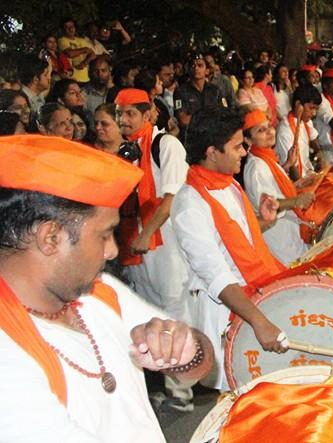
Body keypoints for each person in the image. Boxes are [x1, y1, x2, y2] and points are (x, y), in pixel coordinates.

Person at [0, 135, 213, 441]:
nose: (113, 250)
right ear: (51, 238)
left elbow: (201, 365)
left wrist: (185, 349)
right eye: (104, 235)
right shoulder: (7, 350)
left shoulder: (97, 292)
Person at [171, 108, 290, 391]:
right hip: (229, 312)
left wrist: (262, 221)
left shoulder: (229, 185)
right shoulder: (190, 203)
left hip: (257, 301)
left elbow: (238, 242)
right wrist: (259, 322)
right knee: (239, 395)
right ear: (212, 152)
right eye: (237, 146)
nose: (244, 152)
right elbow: (215, 274)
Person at [113, 88, 196, 411]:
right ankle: (159, 384)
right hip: (136, 243)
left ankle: (183, 391)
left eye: (130, 114)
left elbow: (170, 199)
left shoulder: (166, 146)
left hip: (164, 245)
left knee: (174, 311)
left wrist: (147, 234)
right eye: (120, 114)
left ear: (148, 115)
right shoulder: (126, 150)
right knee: (147, 312)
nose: (123, 120)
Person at [242, 110, 316, 264]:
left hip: (287, 227)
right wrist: (296, 201)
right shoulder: (257, 167)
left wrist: (295, 184)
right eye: (261, 130)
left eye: (269, 126)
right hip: (278, 233)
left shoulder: (266, 157)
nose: (269, 132)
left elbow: (273, 190)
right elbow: (268, 204)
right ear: (248, 140)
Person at [276, 84, 322, 181]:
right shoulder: (285, 130)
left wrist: (319, 152)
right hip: (296, 183)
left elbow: (314, 140)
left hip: (308, 174)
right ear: (298, 105)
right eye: (311, 108)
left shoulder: (306, 121)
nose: (314, 113)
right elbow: (293, 170)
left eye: (316, 109)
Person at [57, 18, 96, 83]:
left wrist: (84, 63)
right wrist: (84, 50)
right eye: (67, 27)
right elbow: (70, 54)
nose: (70, 29)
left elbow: (93, 54)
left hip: (85, 78)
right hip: (71, 78)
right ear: (63, 30)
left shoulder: (82, 40)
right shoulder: (62, 40)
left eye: (72, 26)